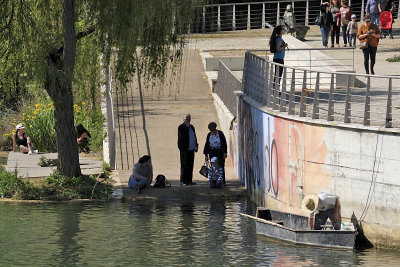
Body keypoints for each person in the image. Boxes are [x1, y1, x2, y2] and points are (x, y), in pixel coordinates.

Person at [177, 114, 198, 186]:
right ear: (183, 119)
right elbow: (183, 137)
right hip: (184, 150)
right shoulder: (181, 127)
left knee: (190, 165)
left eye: (189, 119)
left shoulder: (192, 127)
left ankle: (189, 180)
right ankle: (183, 180)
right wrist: (187, 128)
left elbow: (194, 136)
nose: (188, 120)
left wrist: (196, 145)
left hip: (191, 149)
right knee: (184, 165)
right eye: (186, 119)